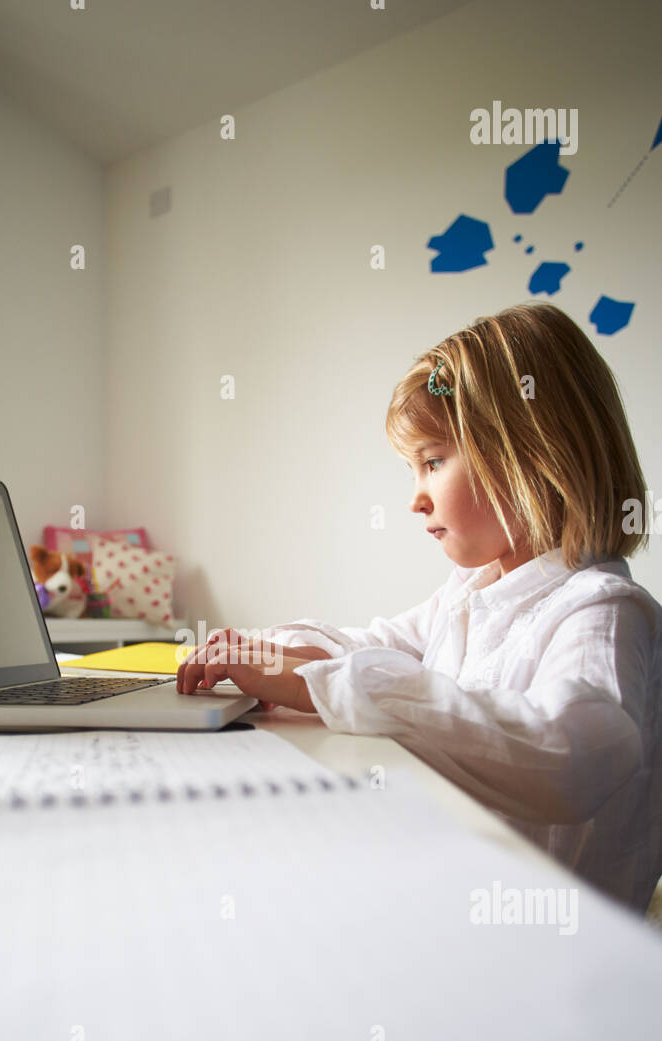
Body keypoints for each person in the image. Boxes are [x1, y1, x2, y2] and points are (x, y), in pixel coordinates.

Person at [176, 303, 662, 914]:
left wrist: (310, 681)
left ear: (534, 455)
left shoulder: (602, 609)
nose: (415, 498)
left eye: (432, 462)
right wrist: (261, 649)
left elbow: (571, 756)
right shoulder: (470, 592)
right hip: (456, 897)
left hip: (540, 944)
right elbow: (376, 643)